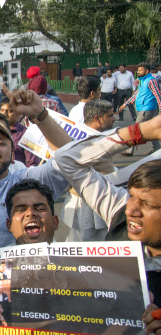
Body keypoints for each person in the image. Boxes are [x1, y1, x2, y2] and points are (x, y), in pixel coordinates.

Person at [0, 34, 72, 247]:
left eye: (1, 142)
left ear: (12, 149)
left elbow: (70, 161)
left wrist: (41, 115)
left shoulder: (28, 183)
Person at [54, 114, 161, 311]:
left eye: (146, 204)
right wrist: (140, 132)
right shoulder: (119, 207)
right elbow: (66, 159)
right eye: (132, 197)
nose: (131, 210)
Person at [0, 179, 59, 330]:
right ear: (9, 225)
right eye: (20, 210)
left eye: (39, 208)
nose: (30, 214)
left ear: (55, 222)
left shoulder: (81, 265)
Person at [60, 100, 115, 242]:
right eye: (110, 116)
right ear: (98, 119)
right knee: (82, 244)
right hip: (84, 203)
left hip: (104, 198)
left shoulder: (104, 137)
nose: (114, 118)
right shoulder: (76, 141)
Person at [119, 62, 161, 156]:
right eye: (138, 70)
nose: (139, 72)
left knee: (136, 129)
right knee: (151, 128)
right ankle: (157, 148)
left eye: (141, 70)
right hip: (142, 108)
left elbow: (157, 95)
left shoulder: (151, 81)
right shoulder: (142, 81)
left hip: (147, 108)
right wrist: (125, 104)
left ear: (147, 71)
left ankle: (130, 151)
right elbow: (137, 94)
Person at [0, 97, 40, 167]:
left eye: (9, 111)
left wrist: (19, 174)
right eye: (2, 110)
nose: (4, 114)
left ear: (19, 114)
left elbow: (33, 164)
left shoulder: (26, 134)